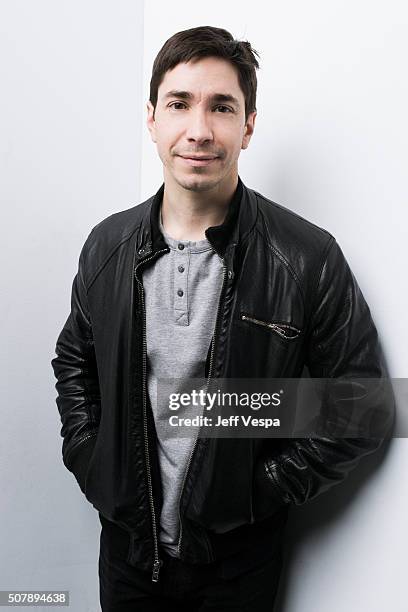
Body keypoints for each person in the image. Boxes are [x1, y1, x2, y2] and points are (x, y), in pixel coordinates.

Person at [51, 25, 394, 612]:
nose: (199, 129)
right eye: (180, 104)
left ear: (248, 125)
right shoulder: (106, 245)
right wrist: (90, 460)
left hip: (240, 565)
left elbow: (363, 405)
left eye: (222, 107)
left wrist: (257, 491)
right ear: (152, 119)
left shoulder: (306, 257)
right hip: (127, 556)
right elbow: (75, 363)